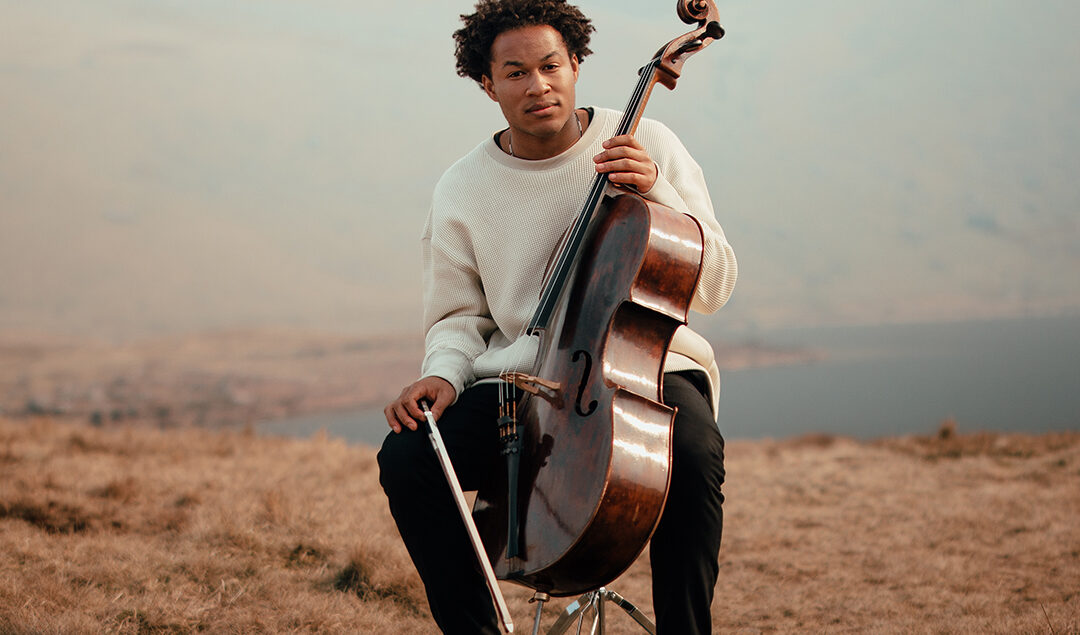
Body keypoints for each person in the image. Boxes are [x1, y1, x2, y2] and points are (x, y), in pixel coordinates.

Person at [378, 1, 737, 632]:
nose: (538, 85)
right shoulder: (461, 189)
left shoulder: (646, 141)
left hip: (646, 361)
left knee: (694, 447)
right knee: (408, 457)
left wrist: (658, 190)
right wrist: (444, 373)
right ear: (487, 84)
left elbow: (714, 286)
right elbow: (457, 317)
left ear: (576, 65)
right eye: (515, 72)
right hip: (525, 381)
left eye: (551, 65)